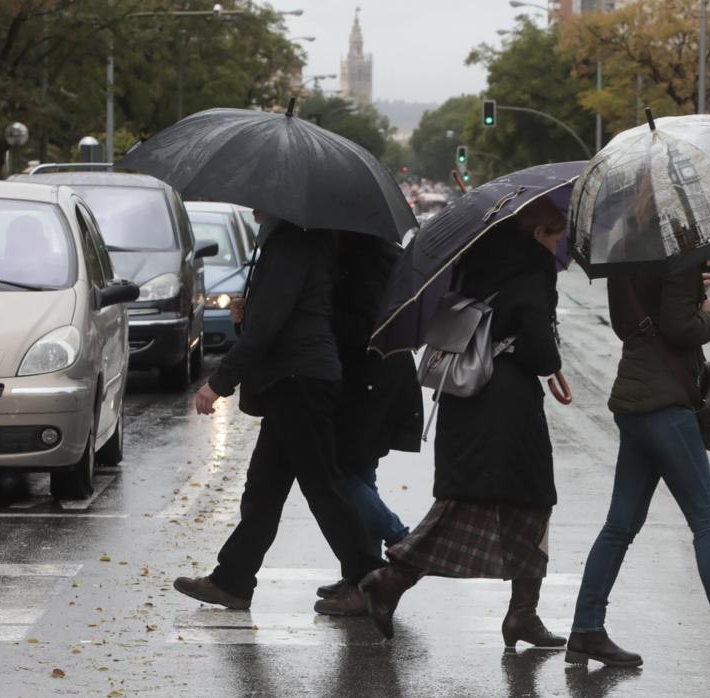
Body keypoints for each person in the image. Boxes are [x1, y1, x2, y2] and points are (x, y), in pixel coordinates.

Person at [357, 197, 568, 650]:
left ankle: (521, 614)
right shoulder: (533, 269)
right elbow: (533, 339)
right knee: (509, 502)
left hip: (466, 395)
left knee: (490, 501)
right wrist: (551, 362)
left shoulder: (473, 258)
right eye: (556, 233)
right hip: (506, 405)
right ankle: (392, 578)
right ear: (537, 234)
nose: (559, 243)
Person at [565, 267, 710, 674]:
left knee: (620, 525)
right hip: (665, 404)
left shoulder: (624, 252)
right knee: (708, 521)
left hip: (636, 397)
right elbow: (679, 327)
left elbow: (628, 325)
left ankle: (586, 628)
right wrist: (709, 311)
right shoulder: (675, 252)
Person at [173, 216, 383, 613]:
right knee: (264, 489)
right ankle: (233, 579)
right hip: (291, 378)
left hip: (298, 379)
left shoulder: (292, 244)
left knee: (323, 487)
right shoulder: (296, 240)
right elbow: (278, 315)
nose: (254, 207)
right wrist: (247, 314)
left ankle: (371, 579)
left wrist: (219, 382)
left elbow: (270, 324)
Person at [314, 233, 423, 604]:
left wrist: (319, 313)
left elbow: (369, 326)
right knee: (360, 474)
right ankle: (366, 576)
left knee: (340, 475)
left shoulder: (371, 260)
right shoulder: (363, 253)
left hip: (371, 383)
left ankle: (404, 543)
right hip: (366, 382)